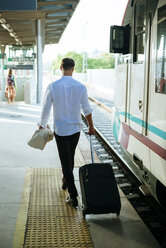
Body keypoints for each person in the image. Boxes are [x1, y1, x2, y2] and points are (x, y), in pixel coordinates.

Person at [39, 58, 95, 207]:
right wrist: (91, 127)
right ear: (73, 69)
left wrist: (42, 125)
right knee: (69, 158)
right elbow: (87, 109)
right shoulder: (80, 86)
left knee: (65, 161)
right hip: (76, 129)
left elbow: (46, 108)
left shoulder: (53, 86)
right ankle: (66, 181)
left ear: (61, 67)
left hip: (61, 130)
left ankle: (73, 196)